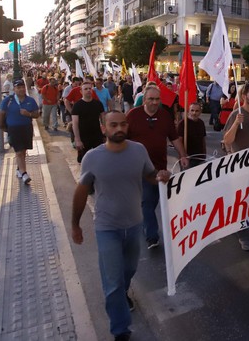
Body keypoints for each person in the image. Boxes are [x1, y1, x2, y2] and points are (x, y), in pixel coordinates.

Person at [71, 110, 171, 341]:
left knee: (129, 271)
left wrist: (160, 175)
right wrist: (75, 225)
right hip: (107, 228)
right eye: (113, 125)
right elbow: (81, 191)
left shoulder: (138, 150)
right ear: (103, 128)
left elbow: (148, 174)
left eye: (123, 124)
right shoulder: (92, 157)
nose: (119, 129)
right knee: (113, 282)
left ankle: (119, 293)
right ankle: (120, 329)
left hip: (135, 225)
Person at [126, 84, 189, 249]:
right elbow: (122, 139)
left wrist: (182, 155)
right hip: (139, 169)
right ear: (144, 100)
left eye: (157, 99)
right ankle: (152, 236)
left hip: (160, 168)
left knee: (152, 201)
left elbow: (174, 138)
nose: (154, 102)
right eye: (151, 99)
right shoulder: (133, 115)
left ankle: (143, 221)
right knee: (147, 201)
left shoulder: (165, 116)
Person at [223, 82, 249, 251]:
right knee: (242, 200)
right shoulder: (236, 115)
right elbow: (227, 140)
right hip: (239, 165)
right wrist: (235, 124)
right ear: (244, 97)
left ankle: (241, 225)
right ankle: (243, 234)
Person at [0, 80, 40, 185]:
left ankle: (19, 169)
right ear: (14, 89)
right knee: (19, 151)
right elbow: (1, 114)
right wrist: (1, 126)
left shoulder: (30, 100)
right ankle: (24, 173)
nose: (21, 89)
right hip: (13, 129)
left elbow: (36, 114)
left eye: (22, 87)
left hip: (26, 128)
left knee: (23, 150)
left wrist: (28, 114)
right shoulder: (8, 100)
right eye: (18, 87)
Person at [72, 81, 105, 162]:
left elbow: (103, 120)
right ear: (81, 91)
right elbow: (75, 124)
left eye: (90, 88)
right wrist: (77, 140)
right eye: (85, 89)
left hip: (97, 137)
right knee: (84, 161)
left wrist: (105, 135)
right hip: (83, 138)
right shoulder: (77, 106)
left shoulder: (98, 104)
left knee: (99, 159)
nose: (88, 90)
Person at [177, 102, 207, 168]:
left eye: (197, 111)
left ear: (200, 112)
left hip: (200, 157)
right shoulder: (183, 124)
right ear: (189, 111)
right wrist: (183, 155)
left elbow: (203, 139)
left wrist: (204, 154)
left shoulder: (201, 123)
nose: (194, 113)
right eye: (192, 110)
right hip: (187, 157)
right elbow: (179, 141)